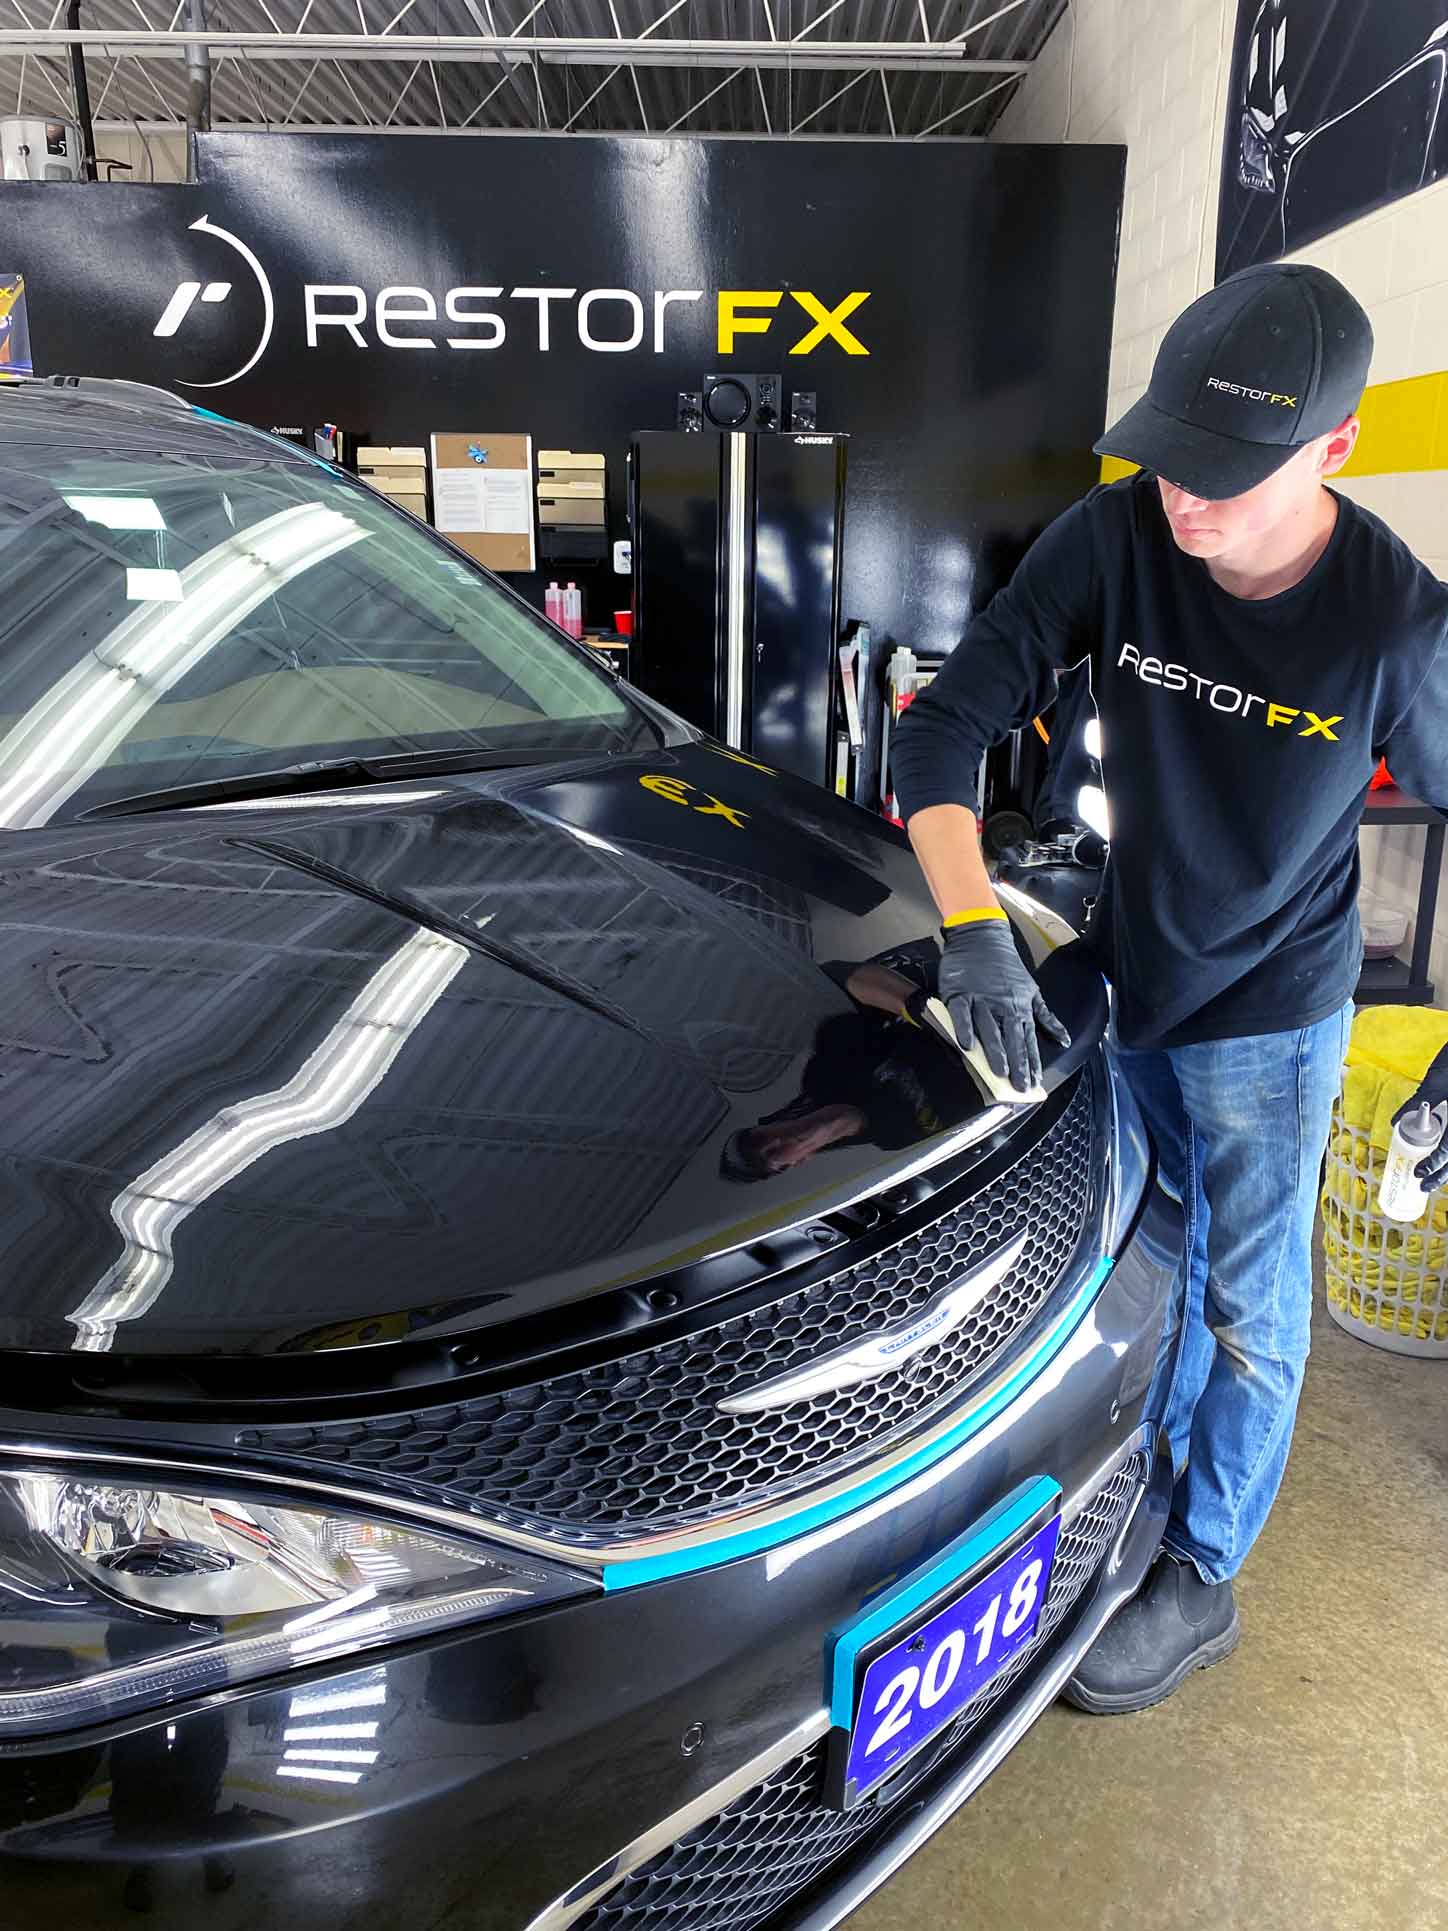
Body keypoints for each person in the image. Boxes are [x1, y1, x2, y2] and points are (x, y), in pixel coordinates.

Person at [890, 262, 1448, 1714]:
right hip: (1131, 974)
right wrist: (971, 929)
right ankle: (1149, 1484)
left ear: (1336, 447)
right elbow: (944, 731)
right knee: (1154, 1259)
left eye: (1225, 475)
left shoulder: (1397, 626)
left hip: (1276, 1010)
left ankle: (1204, 1574)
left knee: (1256, 1303)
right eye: (1167, 460)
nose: (1183, 499)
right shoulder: (1118, 537)